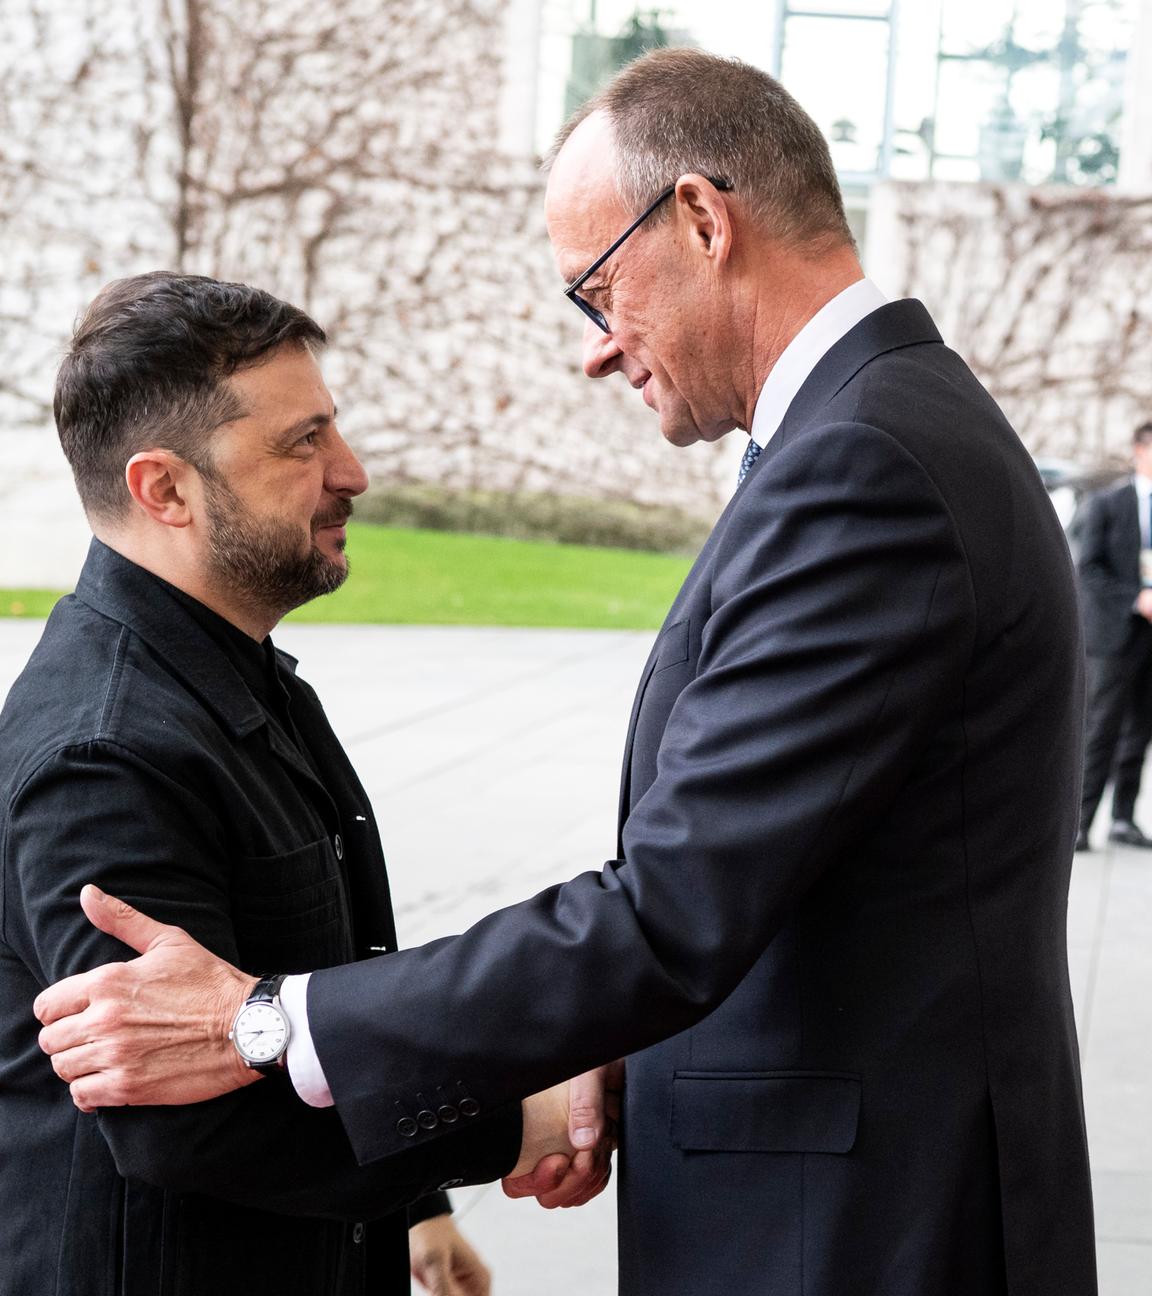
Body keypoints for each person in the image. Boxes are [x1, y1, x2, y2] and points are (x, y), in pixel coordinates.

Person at [35, 51, 1097, 1296]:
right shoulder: (880, 430)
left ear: (703, 220)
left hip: (857, 1227)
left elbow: (671, 910)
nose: (600, 350)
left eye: (600, 292)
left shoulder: (863, 465)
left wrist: (267, 1021)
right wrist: (584, 1050)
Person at [0, 272, 590, 1296]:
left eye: (334, 430)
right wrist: (515, 1121)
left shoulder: (233, 671)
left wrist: (417, 1209)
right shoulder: (106, 755)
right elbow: (186, 1121)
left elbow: (314, 986)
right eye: (300, 443)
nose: (351, 472)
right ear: (164, 489)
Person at [1075, 422, 1152, 851]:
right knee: (1100, 728)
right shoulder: (1107, 504)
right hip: (1115, 635)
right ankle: (1080, 823)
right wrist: (1136, 598)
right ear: (1139, 450)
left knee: (1142, 729)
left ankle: (1124, 818)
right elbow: (1088, 570)